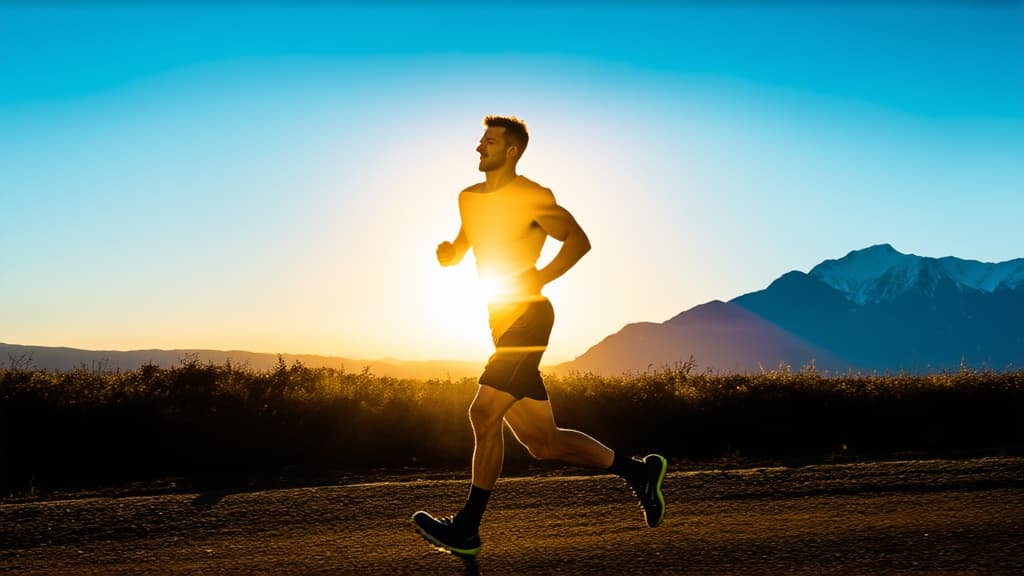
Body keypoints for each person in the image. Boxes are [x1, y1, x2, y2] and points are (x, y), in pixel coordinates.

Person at [412, 116, 667, 558]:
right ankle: (639, 473)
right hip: (499, 319)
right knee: (542, 442)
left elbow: (577, 240)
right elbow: (464, 245)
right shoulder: (468, 198)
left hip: (529, 317)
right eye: (479, 140)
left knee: (483, 415)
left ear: (511, 151)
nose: (478, 148)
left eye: (488, 142)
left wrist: (541, 277)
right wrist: (450, 255)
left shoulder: (532, 195)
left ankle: (467, 529)